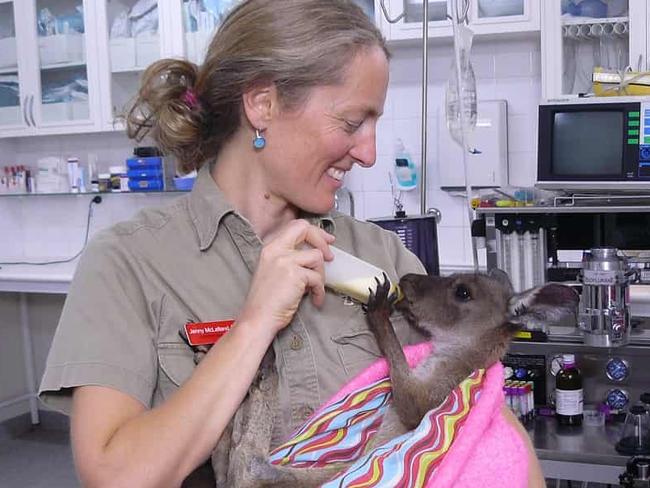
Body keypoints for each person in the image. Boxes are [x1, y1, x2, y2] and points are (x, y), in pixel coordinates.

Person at [38, 1, 544, 486]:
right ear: (263, 104)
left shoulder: (382, 257)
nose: (368, 152)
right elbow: (116, 477)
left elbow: (486, 425)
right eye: (352, 122)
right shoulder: (128, 263)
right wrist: (254, 324)